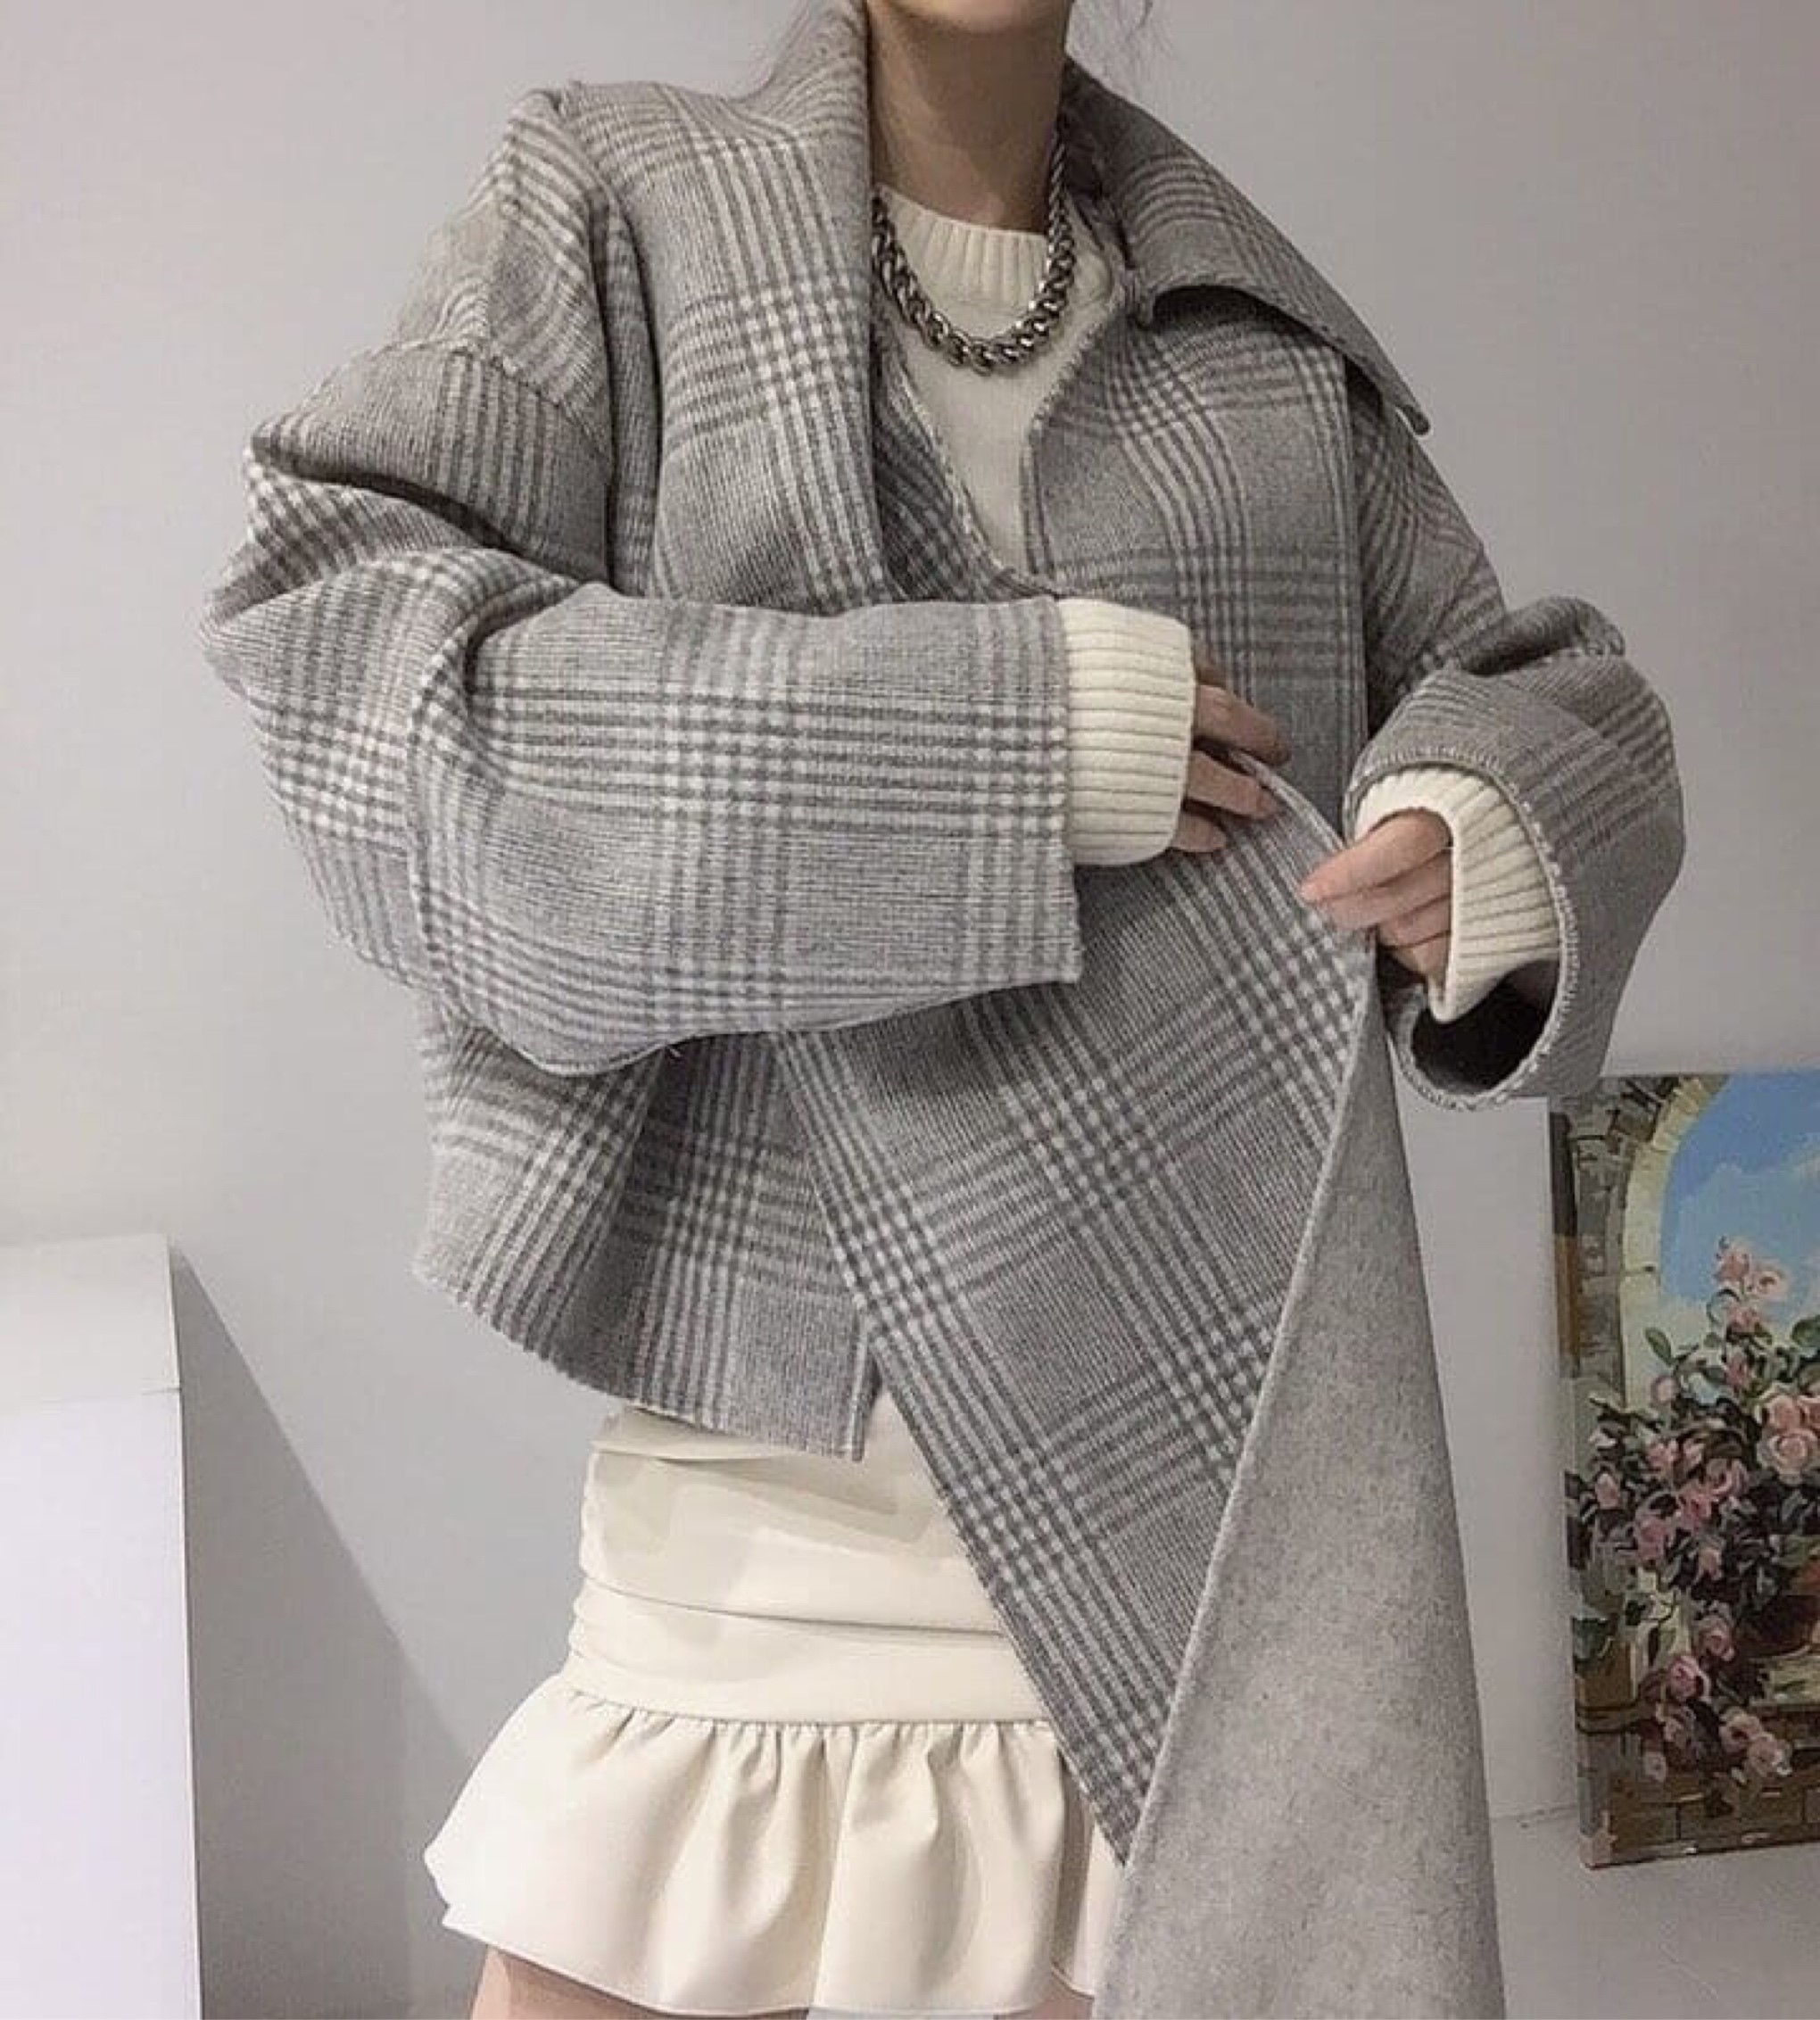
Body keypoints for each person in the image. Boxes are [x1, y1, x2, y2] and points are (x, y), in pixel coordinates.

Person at [199, 2, 1658, 2016]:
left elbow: (1540, 691)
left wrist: (1490, 826)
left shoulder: (1249, 331)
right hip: (770, 1513)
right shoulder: (618, 204)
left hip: (1211, 1508)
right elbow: (356, 679)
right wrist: (1000, 748)